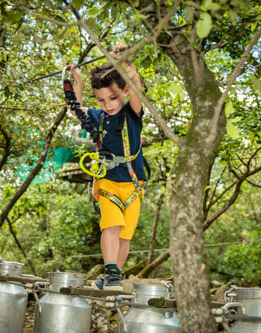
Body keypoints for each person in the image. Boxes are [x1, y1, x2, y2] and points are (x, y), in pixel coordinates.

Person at [68, 45, 146, 290]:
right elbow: (74, 109)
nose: (107, 104)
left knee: (125, 234)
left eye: (112, 98)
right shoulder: (98, 116)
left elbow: (135, 86)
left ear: (123, 92)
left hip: (134, 183)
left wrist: (128, 63)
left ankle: (113, 275)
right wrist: (76, 82)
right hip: (109, 180)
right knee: (111, 225)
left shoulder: (132, 112)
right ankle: (111, 272)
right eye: (101, 100)